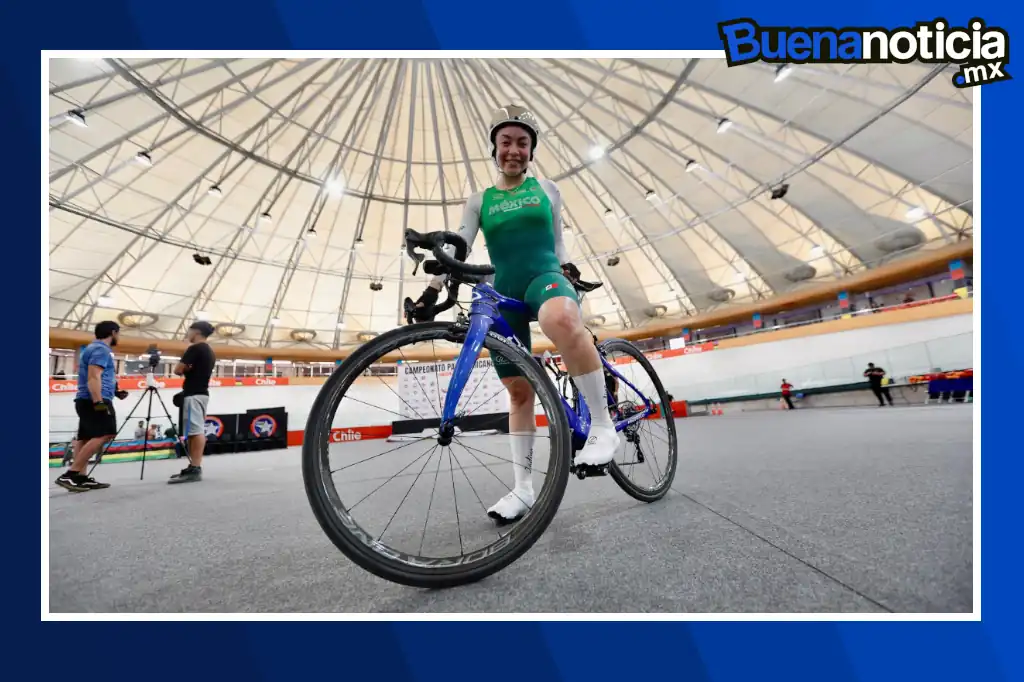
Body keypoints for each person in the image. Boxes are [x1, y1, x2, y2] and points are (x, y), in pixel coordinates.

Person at [411, 104, 622, 523]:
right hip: (503, 290)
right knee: (519, 391)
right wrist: (430, 289)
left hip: (545, 276)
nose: (513, 150)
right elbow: (460, 244)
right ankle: (523, 489)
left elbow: (557, 242)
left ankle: (602, 426)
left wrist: (567, 268)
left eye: (522, 143)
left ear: (531, 150)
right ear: (494, 148)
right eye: (505, 142)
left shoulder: (547, 189)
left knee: (560, 320)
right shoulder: (479, 200)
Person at [55, 321, 126, 492]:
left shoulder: (92, 349)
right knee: (106, 433)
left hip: (86, 399)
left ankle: (80, 477)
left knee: (86, 437)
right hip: (94, 400)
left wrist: (115, 392)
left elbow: (96, 376)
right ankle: (70, 474)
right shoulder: (101, 350)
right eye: (118, 334)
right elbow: (94, 376)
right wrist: (98, 401)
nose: (118, 337)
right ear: (113, 333)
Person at [168, 321, 216, 484]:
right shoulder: (209, 350)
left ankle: (195, 467)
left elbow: (178, 370)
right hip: (201, 393)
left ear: (196, 332)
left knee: (195, 431)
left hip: (193, 394)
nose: (187, 334)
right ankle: (193, 466)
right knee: (195, 430)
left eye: (189, 331)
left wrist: (186, 367)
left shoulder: (195, 348)